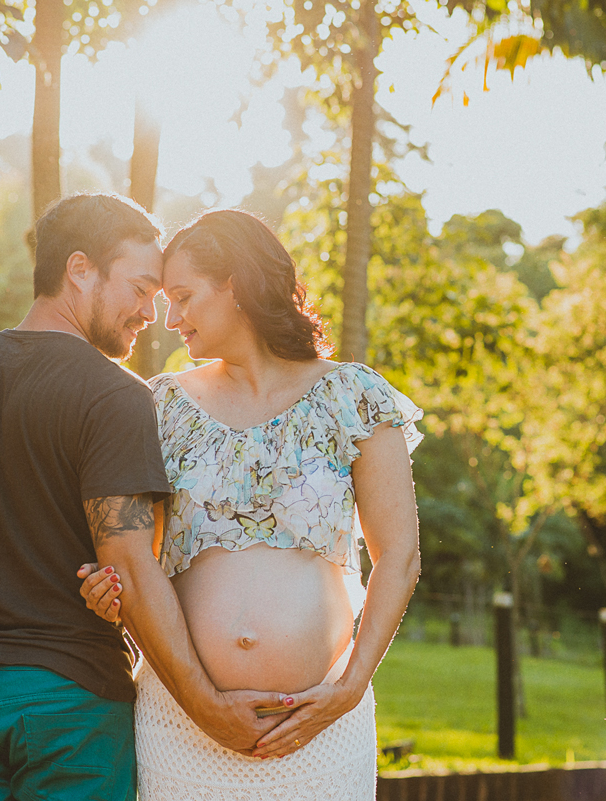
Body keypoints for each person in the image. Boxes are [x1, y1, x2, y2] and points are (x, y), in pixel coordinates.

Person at [0, 194, 285, 801]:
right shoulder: (114, 396)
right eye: (140, 289)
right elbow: (129, 564)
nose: (149, 312)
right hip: (72, 706)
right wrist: (208, 708)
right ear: (79, 269)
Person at [77, 208, 422, 800]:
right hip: (180, 727)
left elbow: (400, 556)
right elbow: (132, 559)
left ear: (236, 284)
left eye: (183, 297)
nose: (171, 319)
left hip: (320, 730)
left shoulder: (354, 395)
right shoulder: (155, 407)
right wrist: (105, 592)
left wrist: (346, 691)